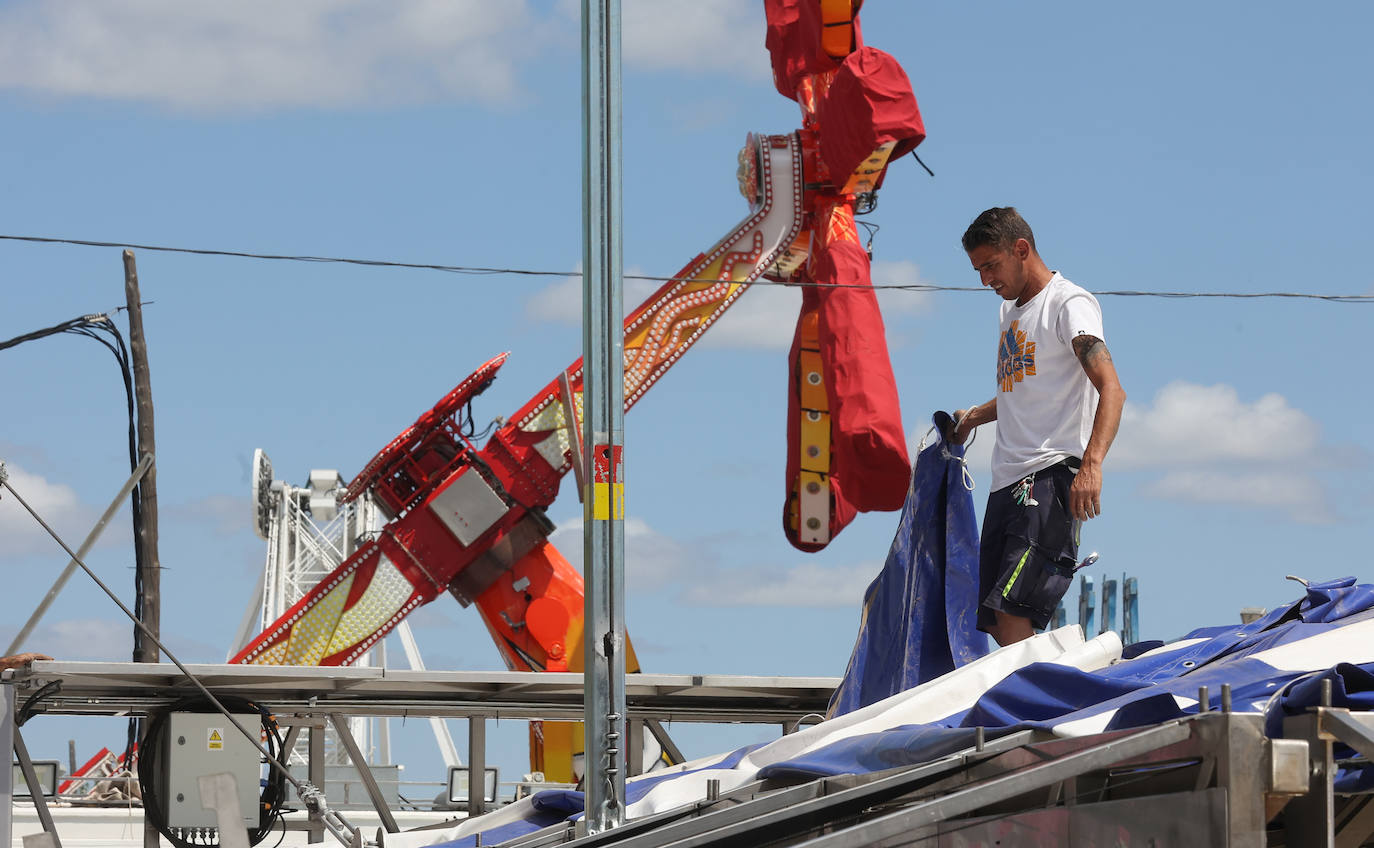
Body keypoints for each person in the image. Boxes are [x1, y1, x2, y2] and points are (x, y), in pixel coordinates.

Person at [949, 207, 1126, 646]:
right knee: (995, 618)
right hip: (1004, 482)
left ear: (1021, 249)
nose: (985, 279)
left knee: (1012, 608)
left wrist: (1092, 465)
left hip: (1049, 478)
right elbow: (1023, 393)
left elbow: (1112, 389)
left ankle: (1049, 703)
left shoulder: (1069, 304)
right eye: (978, 269)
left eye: (991, 265)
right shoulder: (1008, 311)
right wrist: (975, 415)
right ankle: (1037, 695)